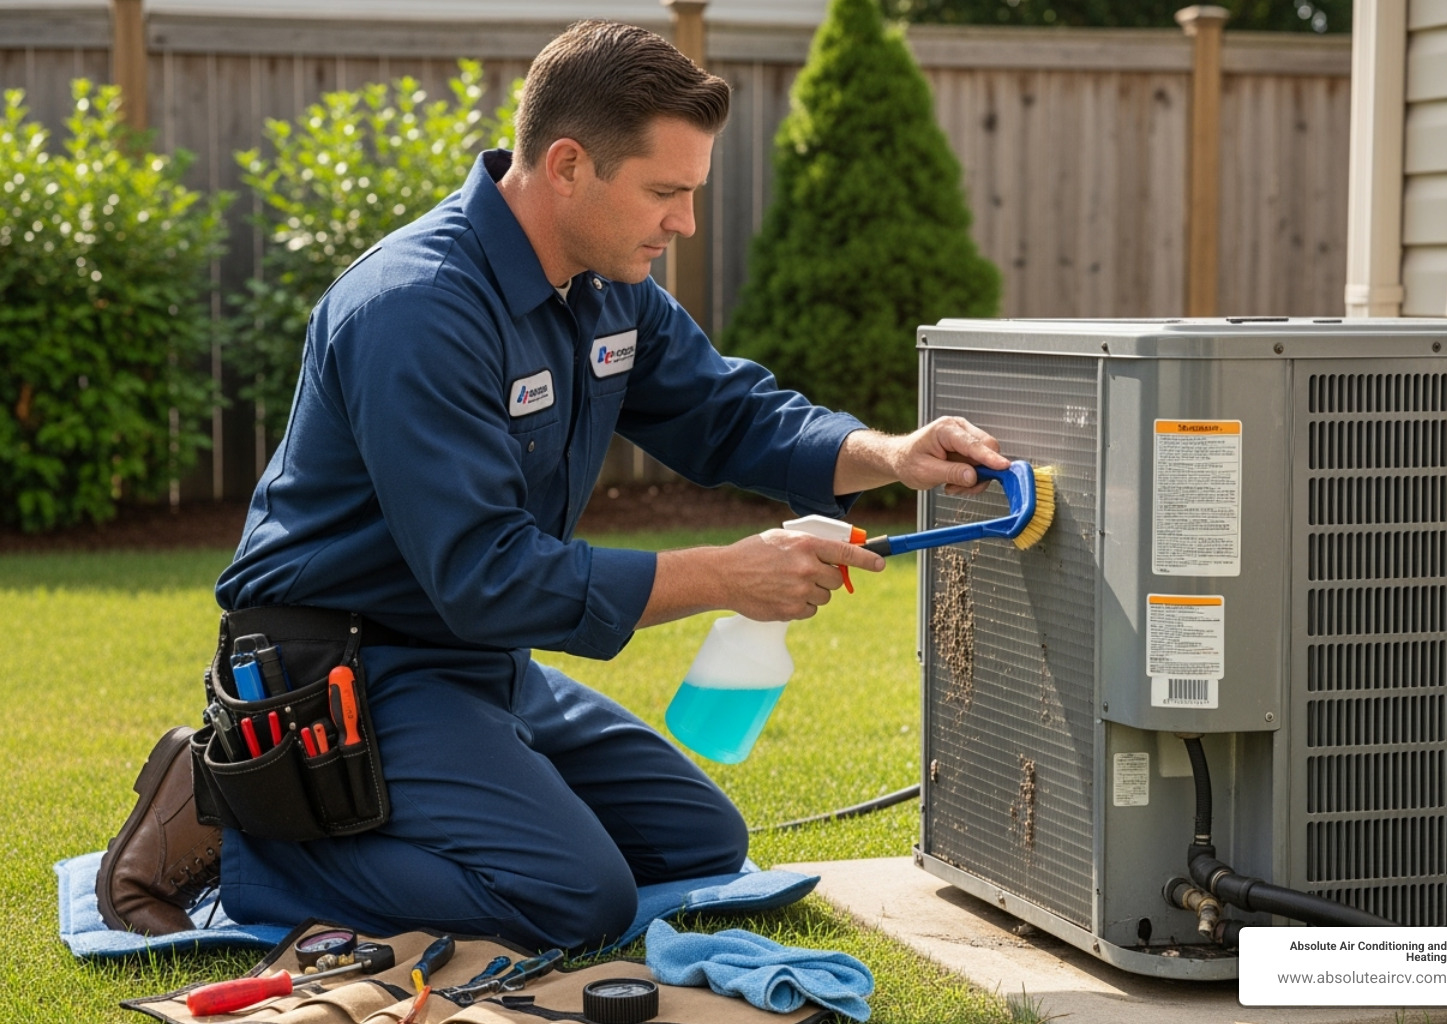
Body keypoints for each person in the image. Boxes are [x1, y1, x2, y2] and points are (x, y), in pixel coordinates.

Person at [96, 19, 1008, 950]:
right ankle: (244, 833)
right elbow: (487, 574)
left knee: (702, 842)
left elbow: (728, 414)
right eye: (665, 193)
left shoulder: (606, 287)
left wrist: (891, 454)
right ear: (568, 165)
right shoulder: (415, 310)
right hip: (347, 663)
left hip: (481, 656)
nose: (684, 223)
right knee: (577, 900)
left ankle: (434, 796)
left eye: (691, 194)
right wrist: (729, 576)